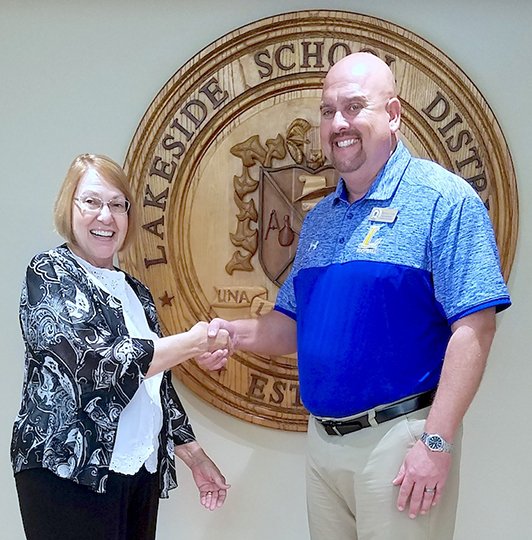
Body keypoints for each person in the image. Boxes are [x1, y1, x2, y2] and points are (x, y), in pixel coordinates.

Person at [200, 52, 511, 540]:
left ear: (392, 115)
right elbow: (290, 325)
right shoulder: (320, 218)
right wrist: (229, 335)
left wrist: (437, 441)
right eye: (328, 111)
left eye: (353, 106)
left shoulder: (443, 200)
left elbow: (476, 326)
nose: (338, 123)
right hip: (323, 445)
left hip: (400, 441)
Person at [11, 154, 231, 540]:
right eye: (92, 202)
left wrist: (194, 455)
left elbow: (154, 383)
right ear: (70, 207)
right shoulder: (49, 273)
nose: (106, 216)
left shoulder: (136, 292)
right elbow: (94, 366)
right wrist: (192, 343)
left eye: (117, 205)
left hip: (138, 470)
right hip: (69, 473)